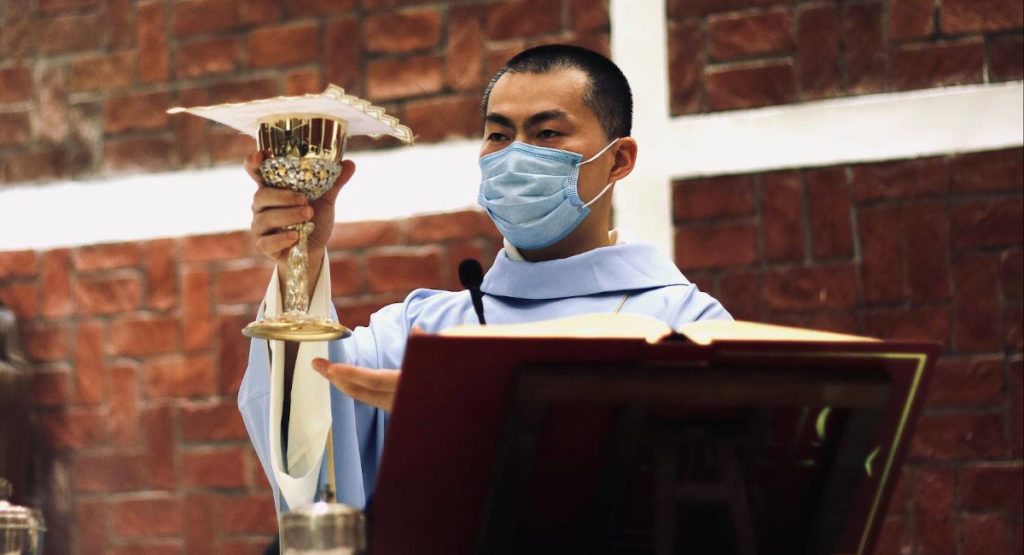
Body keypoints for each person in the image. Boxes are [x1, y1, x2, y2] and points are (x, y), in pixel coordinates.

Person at [238, 44, 732, 516]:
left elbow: (710, 490)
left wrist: (486, 412)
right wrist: (297, 261)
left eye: (547, 134)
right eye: (499, 135)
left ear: (618, 159)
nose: (515, 155)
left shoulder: (685, 325)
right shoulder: (421, 330)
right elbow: (309, 438)